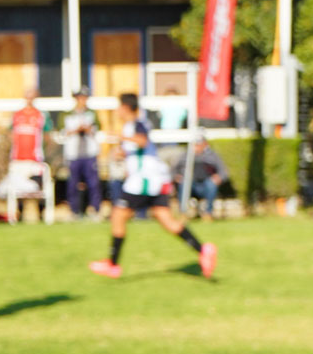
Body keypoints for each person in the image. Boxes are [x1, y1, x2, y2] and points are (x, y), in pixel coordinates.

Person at [88, 92, 214, 279]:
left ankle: (113, 264)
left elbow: (142, 141)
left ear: (126, 107)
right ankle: (204, 250)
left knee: (118, 216)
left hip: (143, 182)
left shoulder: (137, 124)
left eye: (118, 107)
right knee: (165, 219)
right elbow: (139, 149)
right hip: (153, 180)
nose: (117, 111)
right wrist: (123, 153)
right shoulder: (132, 126)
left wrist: (121, 137)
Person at [3, 87, 49, 223]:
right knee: (17, 187)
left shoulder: (41, 115)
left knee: (39, 187)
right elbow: (10, 132)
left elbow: (47, 135)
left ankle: (41, 214)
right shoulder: (17, 115)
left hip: (35, 158)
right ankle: (19, 214)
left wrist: (43, 149)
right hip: (18, 158)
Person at [61, 86, 102, 219]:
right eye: (80, 98)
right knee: (73, 183)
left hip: (89, 153)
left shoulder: (92, 114)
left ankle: (95, 209)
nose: (82, 100)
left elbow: (97, 130)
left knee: (93, 183)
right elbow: (62, 133)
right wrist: (76, 130)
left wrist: (88, 129)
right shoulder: (67, 115)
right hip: (73, 154)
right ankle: (74, 211)